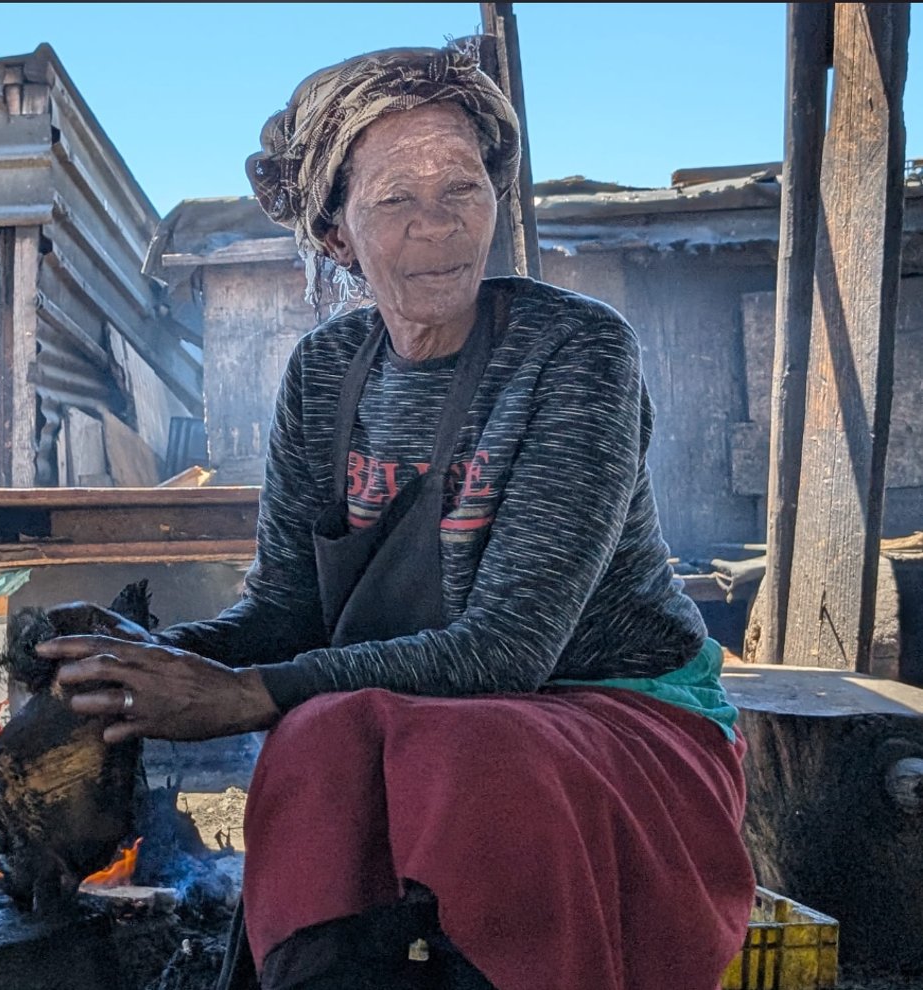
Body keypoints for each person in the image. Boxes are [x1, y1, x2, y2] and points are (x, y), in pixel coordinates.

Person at [40, 39, 755, 990]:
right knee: (323, 738)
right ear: (335, 231)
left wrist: (243, 696)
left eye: (462, 187)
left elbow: (509, 651)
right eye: (394, 199)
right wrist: (140, 655)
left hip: (613, 713)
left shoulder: (576, 353)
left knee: (434, 746)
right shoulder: (326, 374)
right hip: (407, 721)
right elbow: (286, 611)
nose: (439, 227)